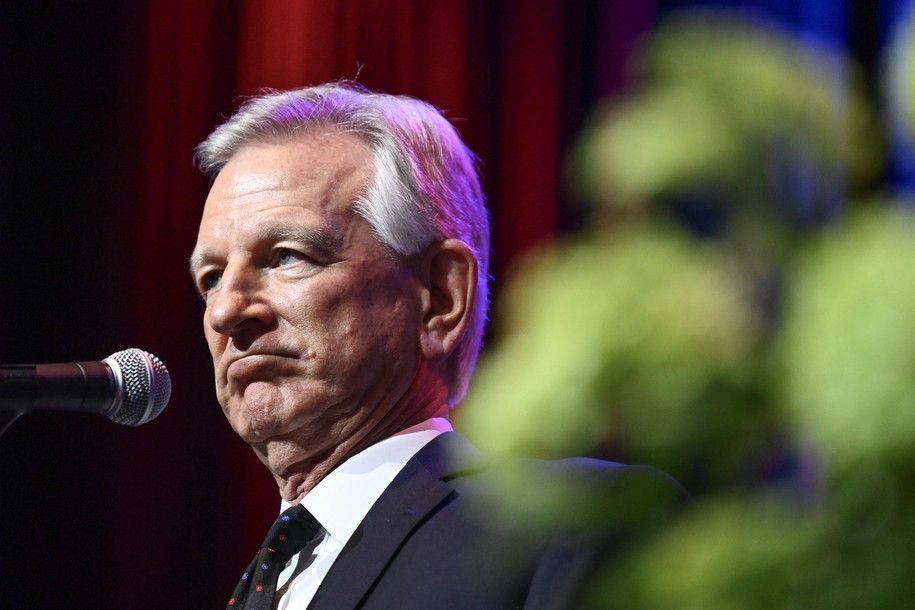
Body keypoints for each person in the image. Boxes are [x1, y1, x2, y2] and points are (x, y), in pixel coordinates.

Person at [190, 82, 683, 610]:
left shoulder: (571, 528)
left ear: (441, 296)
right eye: (212, 277)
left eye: (286, 256)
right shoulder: (267, 582)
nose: (225, 312)